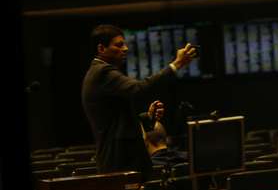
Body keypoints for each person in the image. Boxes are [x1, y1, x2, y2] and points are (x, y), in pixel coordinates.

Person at [81, 24, 197, 179]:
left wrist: (147, 116)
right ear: (101, 48)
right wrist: (176, 64)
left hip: (120, 160)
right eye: (119, 45)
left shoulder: (101, 72)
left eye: (124, 44)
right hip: (119, 161)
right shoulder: (102, 72)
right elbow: (138, 89)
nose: (125, 48)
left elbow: (115, 116)